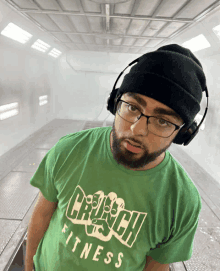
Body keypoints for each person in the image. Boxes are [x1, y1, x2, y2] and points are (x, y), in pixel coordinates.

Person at [25, 44, 206, 271]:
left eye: (162, 121)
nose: (136, 129)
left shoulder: (182, 200)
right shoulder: (69, 150)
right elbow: (42, 216)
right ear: (115, 102)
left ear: (183, 134)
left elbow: (156, 266)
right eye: (131, 107)